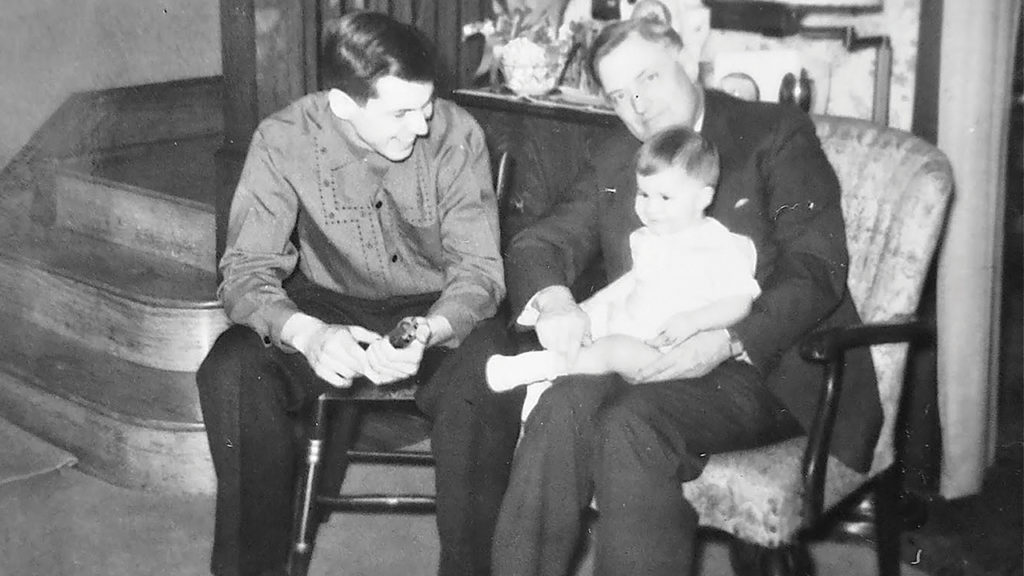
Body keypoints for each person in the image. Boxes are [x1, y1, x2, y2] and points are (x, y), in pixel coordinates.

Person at [490, 16, 881, 576]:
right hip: (648, 352)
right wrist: (555, 300)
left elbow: (817, 268)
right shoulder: (618, 156)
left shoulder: (772, 133)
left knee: (630, 426)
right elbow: (542, 241)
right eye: (620, 96)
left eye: (647, 78)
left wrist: (727, 340)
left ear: (685, 52)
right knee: (560, 406)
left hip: (765, 362)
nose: (639, 106)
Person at [195, 11, 506, 576]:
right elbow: (244, 271)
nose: (420, 125)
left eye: (427, 104)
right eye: (400, 112)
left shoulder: (457, 134)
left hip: (436, 312)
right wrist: (308, 334)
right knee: (231, 370)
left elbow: (480, 273)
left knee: (488, 371)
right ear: (342, 104)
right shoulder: (283, 139)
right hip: (326, 306)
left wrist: (427, 331)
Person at [486, 127, 760, 401]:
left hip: (670, 354)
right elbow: (630, 283)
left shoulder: (719, 243)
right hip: (634, 330)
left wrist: (692, 321)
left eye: (665, 198)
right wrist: (586, 309)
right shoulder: (648, 238)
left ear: (704, 198)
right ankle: (545, 382)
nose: (651, 208)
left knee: (614, 352)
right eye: (644, 195)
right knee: (581, 332)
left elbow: (740, 302)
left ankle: (541, 368)